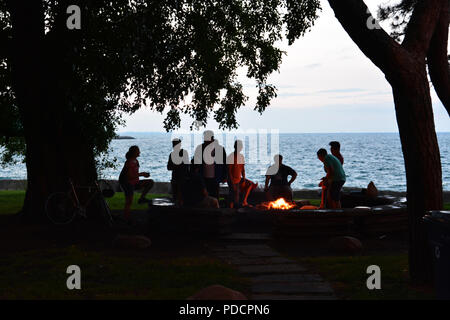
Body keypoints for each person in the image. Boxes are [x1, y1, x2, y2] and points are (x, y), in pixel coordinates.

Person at [119, 146, 154, 221]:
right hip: (127, 183)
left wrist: (142, 175)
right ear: (134, 152)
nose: (139, 152)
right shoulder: (129, 162)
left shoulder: (135, 161)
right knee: (129, 201)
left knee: (150, 182)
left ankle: (141, 198)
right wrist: (142, 174)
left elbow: (134, 174)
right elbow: (129, 176)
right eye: (138, 151)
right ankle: (126, 218)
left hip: (134, 182)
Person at [193, 130, 227, 200]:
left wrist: (225, 176)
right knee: (204, 196)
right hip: (203, 177)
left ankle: (215, 209)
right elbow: (195, 161)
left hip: (216, 177)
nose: (205, 140)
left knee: (215, 196)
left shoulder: (220, 149)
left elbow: (225, 164)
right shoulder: (200, 148)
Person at [167, 138, 190, 206]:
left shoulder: (182, 153)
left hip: (181, 177)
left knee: (181, 195)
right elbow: (169, 167)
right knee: (176, 196)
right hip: (176, 178)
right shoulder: (172, 154)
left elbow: (186, 166)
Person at [226, 140, 245, 208]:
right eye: (238, 146)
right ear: (234, 146)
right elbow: (229, 171)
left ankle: (234, 208)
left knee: (236, 195)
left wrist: (244, 179)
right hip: (232, 180)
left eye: (240, 146)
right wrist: (232, 182)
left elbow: (242, 169)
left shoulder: (241, 157)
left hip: (238, 179)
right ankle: (232, 209)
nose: (239, 148)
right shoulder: (231, 157)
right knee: (233, 195)